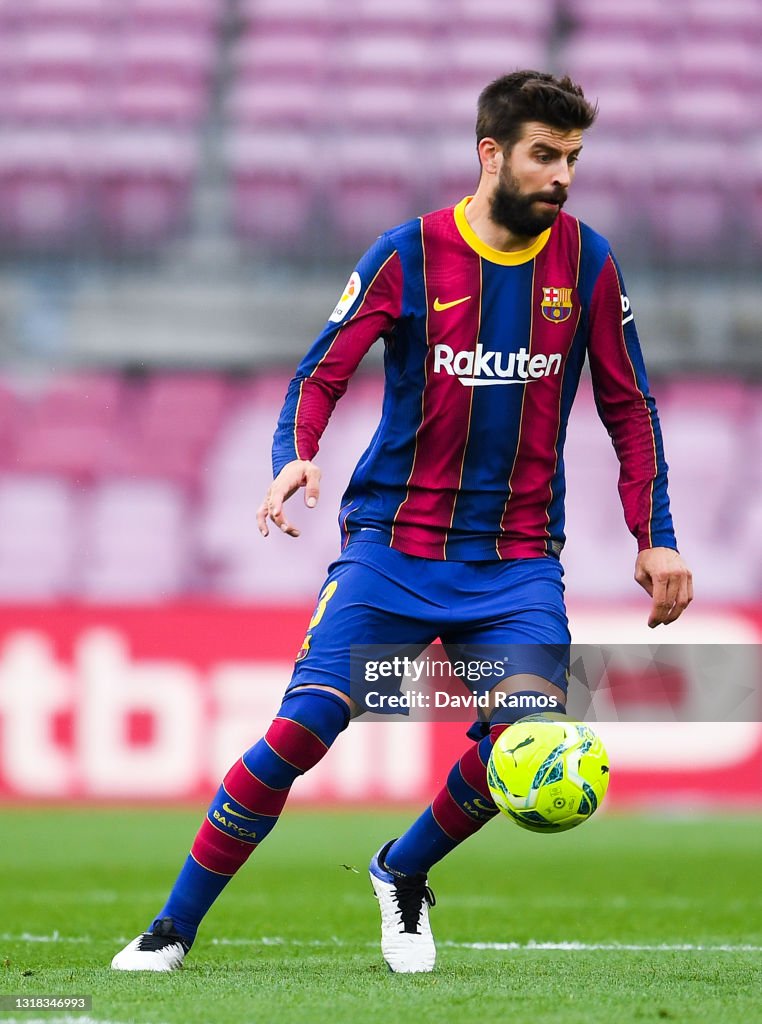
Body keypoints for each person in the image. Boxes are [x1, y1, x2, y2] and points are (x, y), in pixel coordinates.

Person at [112, 70, 692, 974]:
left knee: (527, 747)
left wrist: (654, 533)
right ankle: (171, 928)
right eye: (545, 155)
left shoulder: (588, 264)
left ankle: (402, 869)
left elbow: (631, 408)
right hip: (394, 548)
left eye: (574, 158)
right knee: (302, 729)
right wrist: (295, 453)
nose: (563, 175)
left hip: (516, 563)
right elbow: (320, 372)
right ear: (490, 154)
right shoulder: (408, 255)